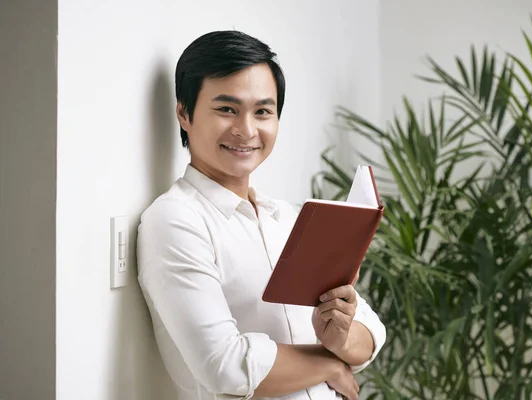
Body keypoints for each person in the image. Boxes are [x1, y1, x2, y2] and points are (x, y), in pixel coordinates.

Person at [137, 30, 386, 400]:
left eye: (263, 111)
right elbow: (226, 365)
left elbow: (372, 334)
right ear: (184, 114)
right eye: (226, 109)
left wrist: (342, 337)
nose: (247, 130)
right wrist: (329, 363)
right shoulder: (175, 221)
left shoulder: (290, 218)